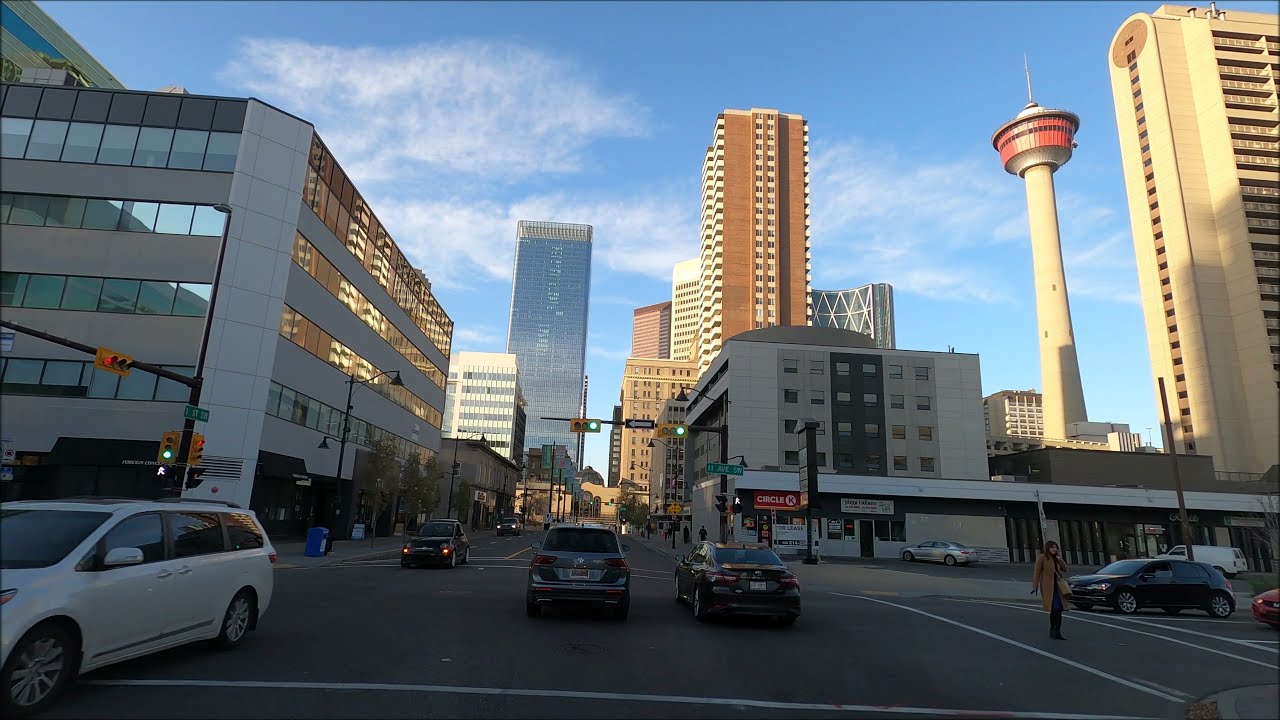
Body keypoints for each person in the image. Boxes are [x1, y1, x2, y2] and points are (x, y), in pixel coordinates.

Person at [1032, 540, 1070, 640]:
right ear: (1047, 548)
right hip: (1048, 587)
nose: (1054, 549)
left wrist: (1060, 560)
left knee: (1059, 609)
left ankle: (1057, 631)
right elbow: (1037, 571)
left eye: (1056, 547)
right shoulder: (1042, 557)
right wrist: (1035, 585)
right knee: (1054, 609)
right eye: (1052, 547)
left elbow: (1066, 569)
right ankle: (1053, 630)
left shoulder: (1057, 558)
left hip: (1059, 588)